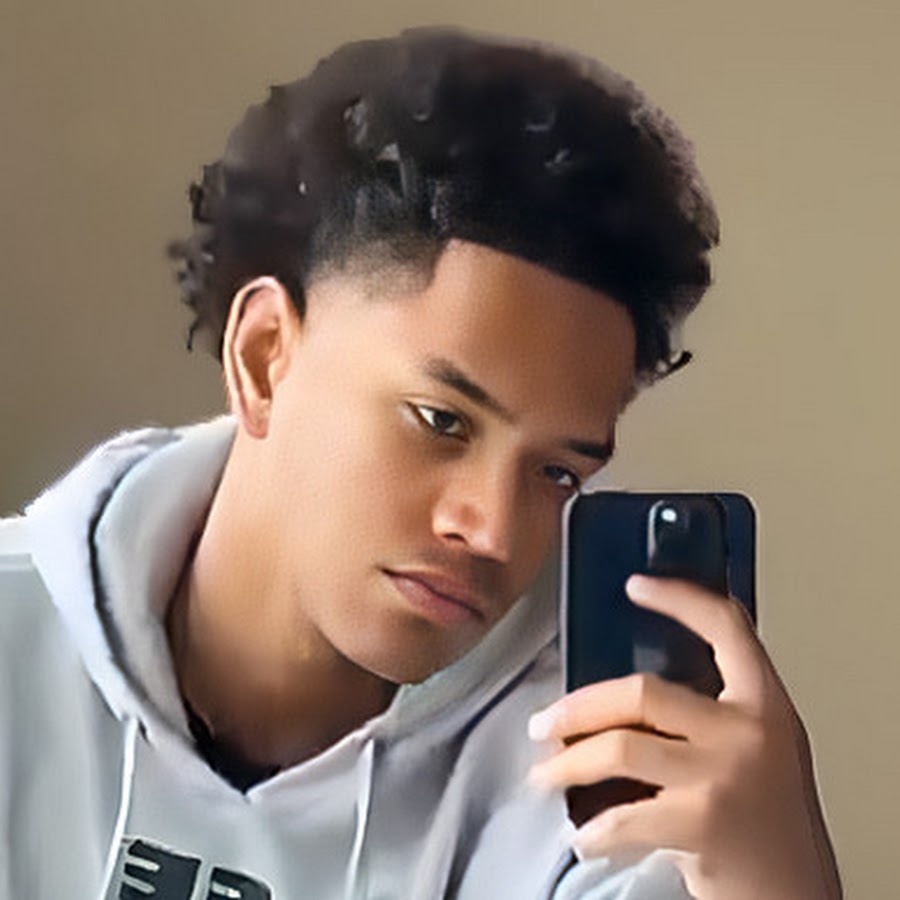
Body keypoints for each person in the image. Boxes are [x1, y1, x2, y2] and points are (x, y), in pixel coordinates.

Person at [0, 27, 841, 900]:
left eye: (557, 472)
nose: (492, 530)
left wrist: (775, 879)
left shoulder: (600, 777)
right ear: (263, 357)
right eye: (441, 421)